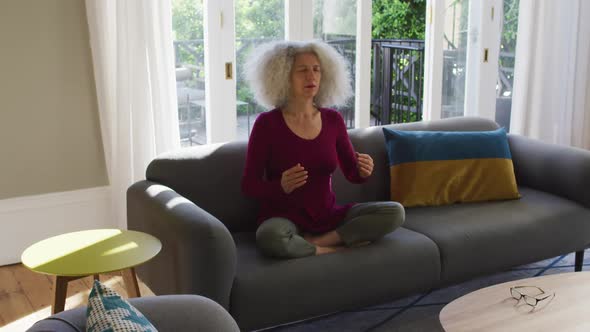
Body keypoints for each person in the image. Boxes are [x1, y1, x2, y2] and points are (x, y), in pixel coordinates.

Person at [241, 40, 404, 259]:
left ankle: (317, 243)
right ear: (283, 76)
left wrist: (364, 171)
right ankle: (331, 248)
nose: (312, 77)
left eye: (316, 70)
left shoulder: (333, 120)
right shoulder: (266, 124)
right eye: (302, 70)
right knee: (270, 237)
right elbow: (249, 186)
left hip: (327, 216)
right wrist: (280, 186)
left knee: (394, 212)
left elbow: (352, 173)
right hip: (283, 219)